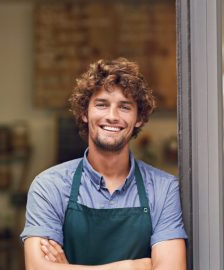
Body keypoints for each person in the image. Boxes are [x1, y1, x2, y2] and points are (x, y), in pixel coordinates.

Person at [20, 58, 187, 270]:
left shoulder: (164, 189)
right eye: (101, 104)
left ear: (139, 118)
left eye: (125, 107)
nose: (112, 116)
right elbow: (37, 268)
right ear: (84, 112)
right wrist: (131, 267)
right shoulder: (49, 186)